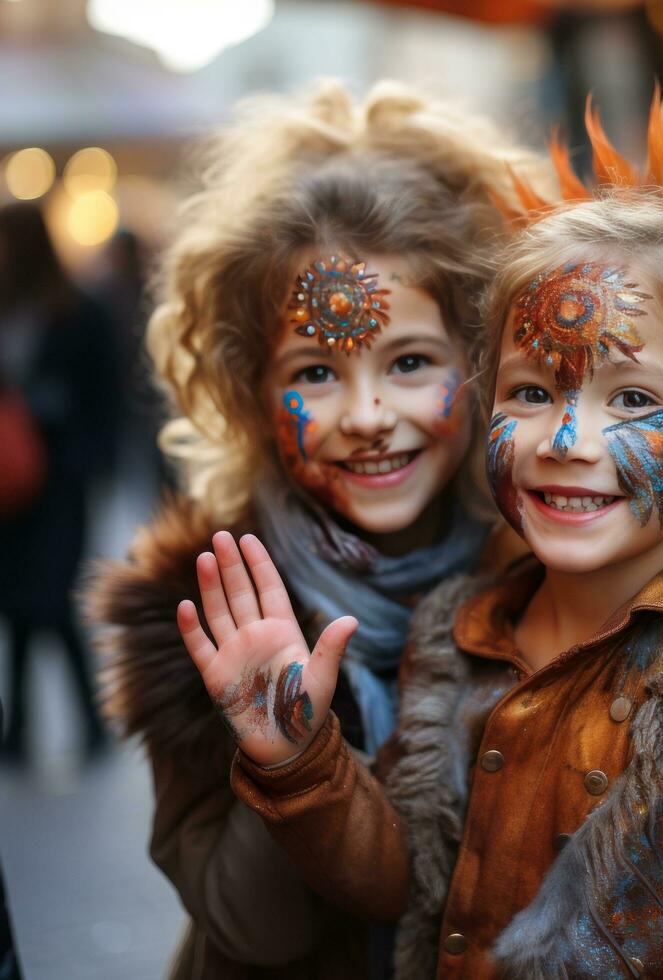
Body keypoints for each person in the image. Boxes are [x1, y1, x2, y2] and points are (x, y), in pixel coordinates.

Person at [180, 91, 663, 977]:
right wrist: (300, 757)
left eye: (634, 399)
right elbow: (413, 889)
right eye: (532, 392)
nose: (568, 442)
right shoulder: (457, 630)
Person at [86, 80, 543, 979]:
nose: (368, 415)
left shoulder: (552, 577)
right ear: (252, 392)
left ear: (483, 364)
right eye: (317, 372)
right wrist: (287, 755)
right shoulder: (202, 614)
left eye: (409, 362)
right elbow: (253, 934)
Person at [0, 202, 118, 764]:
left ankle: (86, 721)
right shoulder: (8, 306)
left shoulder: (77, 310)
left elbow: (107, 394)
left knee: (51, 601)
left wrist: (80, 455)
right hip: (10, 486)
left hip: (59, 483)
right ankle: (21, 727)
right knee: (18, 605)